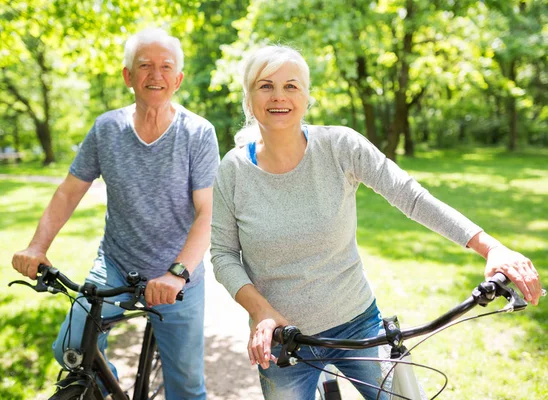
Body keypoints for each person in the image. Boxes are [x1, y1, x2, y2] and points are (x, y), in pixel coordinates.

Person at [210, 45, 542, 400]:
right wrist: (261, 313)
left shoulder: (340, 146)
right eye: (265, 86)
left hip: (357, 322)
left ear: (307, 97)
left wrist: (490, 247)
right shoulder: (233, 171)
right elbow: (223, 254)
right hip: (282, 338)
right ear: (249, 97)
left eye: (291, 86)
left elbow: (410, 196)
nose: (279, 96)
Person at [12, 28, 219, 399]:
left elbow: (208, 213)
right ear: (128, 76)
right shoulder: (107, 129)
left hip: (178, 275)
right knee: (72, 352)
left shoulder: (197, 133)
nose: (155, 75)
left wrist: (176, 274)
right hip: (116, 265)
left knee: (187, 387)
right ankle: (105, 389)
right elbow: (68, 192)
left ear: (178, 79)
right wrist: (36, 247)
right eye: (144, 66)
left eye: (165, 67)